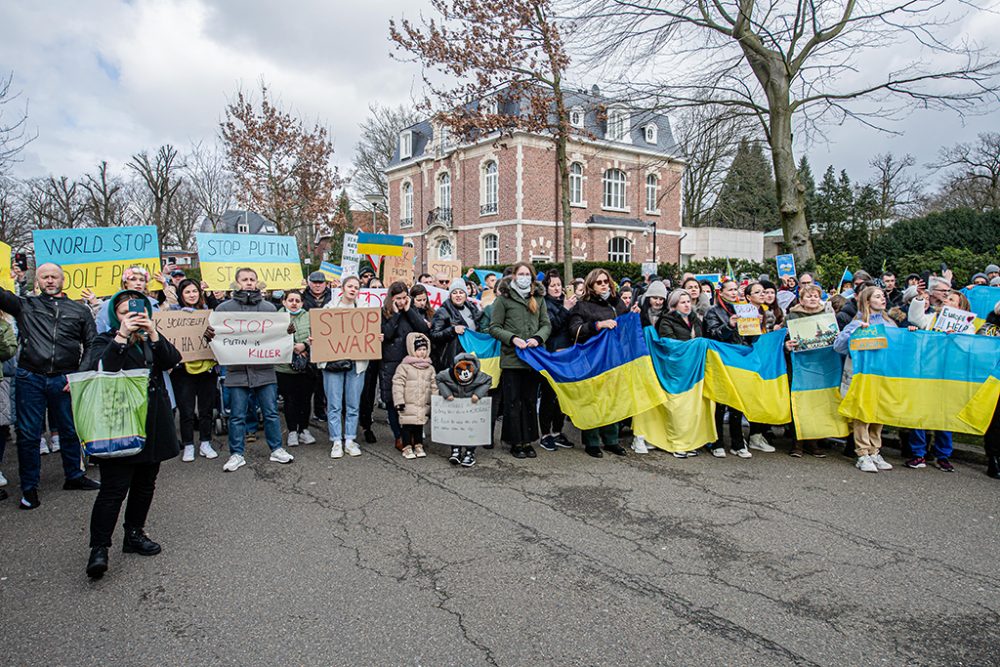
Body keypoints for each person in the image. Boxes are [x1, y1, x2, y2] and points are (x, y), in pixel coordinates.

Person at [82, 290, 182, 579]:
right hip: (120, 421)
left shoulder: (150, 339)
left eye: (137, 312)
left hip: (152, 419)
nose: (132, 318)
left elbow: (171, 359)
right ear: (116, 315)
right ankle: (99, 548)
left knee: (145, 483)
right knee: (114, 488)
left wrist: (153, 332)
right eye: (126, 313)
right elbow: (105, 369)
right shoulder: (105, 340)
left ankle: (134, 534)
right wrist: (122, 336)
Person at [0, 263, 100, 509]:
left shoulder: (79, 310)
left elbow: (92, 344)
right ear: (38, 281)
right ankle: (29, 488)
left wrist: (79, 375)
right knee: (29, 435)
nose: (50, 280)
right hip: (30, 378)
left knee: (69, 430)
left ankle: (74, 476)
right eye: (44, 277)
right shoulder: (25, 305)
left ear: (63, 280)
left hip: (64, 379)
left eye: (54, 276)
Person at [207, 268, 294, 472]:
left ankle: (277, 449)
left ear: (257, 283)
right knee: (237, 415)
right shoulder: (223, 309)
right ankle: (236, 454)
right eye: (244, 279)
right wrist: (209, 334)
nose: (248, 283)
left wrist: (287, 331)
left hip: (264, 369)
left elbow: (278, 335)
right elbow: (215, 338)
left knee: (271, 412)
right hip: (237, 371)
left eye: (252, 279)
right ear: (237, 283)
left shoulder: (269, 309)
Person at [488, 262, 551, 459]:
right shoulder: (503, 300)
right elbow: (494, 327)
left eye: (527, 274)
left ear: (532, 277)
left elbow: (546, 324)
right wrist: (513, 338)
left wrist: (538, 338)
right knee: (513, 402)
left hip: (533, 359)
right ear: (514, 276)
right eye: (521, 273)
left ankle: (528, 440)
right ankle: (515, 441)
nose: (524, 277)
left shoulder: (539, 298)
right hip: (512, 359)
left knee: (529, 401)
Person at [833, 286, 897, 474]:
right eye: (877, 297)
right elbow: (838, 346)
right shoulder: (858, 322)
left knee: (878, 412)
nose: (883, 299)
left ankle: (875, 450)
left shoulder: (890, 323)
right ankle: (862, 453)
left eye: (883, 296)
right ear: (868, 301)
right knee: (862, 413)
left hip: (882, 375)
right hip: (862, 376)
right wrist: (854, 334)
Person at [567, 268, 627, 458]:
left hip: (614, 359)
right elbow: (574, 330)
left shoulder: (617, 304)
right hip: (591, 360)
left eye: (606, 281)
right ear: (591, 285)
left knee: (611, 400)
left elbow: (626, 328)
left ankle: (611, 440)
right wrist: (597, 325)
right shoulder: (582, 306)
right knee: (592, 400)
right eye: (599, 282)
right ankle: (591, 441)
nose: (603, 285)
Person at [317, 275, 370, 458]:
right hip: (333, 363)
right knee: (334, 404)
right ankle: (336, 441)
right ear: (343, 288)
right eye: (350, 286)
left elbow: (368, 333)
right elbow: (320, 332)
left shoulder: (365, 310)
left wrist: (375, 338)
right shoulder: (329, 308)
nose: (353, 289)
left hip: (357, 363)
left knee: (353, 403)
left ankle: (350, 438)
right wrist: (316, 339)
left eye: (357, 287)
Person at [169, 279, 219, 462]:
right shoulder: (172, 315)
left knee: (206, 409)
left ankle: (206, 442)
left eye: (194, 291)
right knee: (187, 410)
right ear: (181, 295)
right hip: (183, 370)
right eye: (187, 292)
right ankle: (189, 445)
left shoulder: (209, 313)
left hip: (207, 369)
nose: (192, 295)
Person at [703, 279, 754, 459]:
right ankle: (717, 441)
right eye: (730, 290)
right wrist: (729, 325)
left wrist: (757, 326)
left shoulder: (746, 309)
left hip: (740, 361)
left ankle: (738, 442)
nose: (734, 293)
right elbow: (712, 334)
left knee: (737, 403)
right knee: (720, 402)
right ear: (721, 293)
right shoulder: (713, 312)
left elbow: (750, 338)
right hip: (721, 361)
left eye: (736, 290)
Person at [381, 281, 431, 451]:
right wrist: (395, 314)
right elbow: (386, 334)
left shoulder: (412, 310)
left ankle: (411, 435)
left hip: (411, 362)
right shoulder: (385, 312)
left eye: (404, 297)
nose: (402, 302)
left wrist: (409, 310)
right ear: (391, 298)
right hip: (391, 362)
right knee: (393, 401)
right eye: (398, 299)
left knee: (412, 399)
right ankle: (399, 436)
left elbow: (423, 328)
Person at [784, 285, 831, 458]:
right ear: (801, 299)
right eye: (808, 296)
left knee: (817, 402)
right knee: (798, 402)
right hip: (799, 365)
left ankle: (814, 441)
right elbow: (783, 337)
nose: (812, 298)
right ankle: (797, 442)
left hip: (820, 364)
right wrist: (786, 345)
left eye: (816, 296)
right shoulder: (791, 316)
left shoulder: (826, 317)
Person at [538, 270, 575, 452]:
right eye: (552, 285)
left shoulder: (565, 301)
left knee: (562, 395)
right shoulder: (544, 305)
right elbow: (551, 327)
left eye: (559, 285)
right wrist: (566, 309)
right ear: (546, 288)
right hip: (551, 354)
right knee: (548, 395)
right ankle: (545, 434)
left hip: (566, 354)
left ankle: (557, 431)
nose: (556, 288)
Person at [275, 290, 316, 448]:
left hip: (306, 367)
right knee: (290, 400)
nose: (294, 303)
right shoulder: (276, 318)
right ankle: (292, 430)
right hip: (284, 368)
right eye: (290, 300)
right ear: (284, 302)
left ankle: (304, 429)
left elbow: (317, 335)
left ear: (302, 303)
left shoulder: (309, 317)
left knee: (305, 399)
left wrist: (304, 345)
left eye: (297, 300)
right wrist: (289, 346)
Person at [392, 332, 437, 460]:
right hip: (408, 402)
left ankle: (418, 445)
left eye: (424, 349)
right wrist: (399, 401)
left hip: (423, 402)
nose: (422, 352)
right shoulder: (404, 367)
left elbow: (434, 385)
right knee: (407, 425)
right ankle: (406, 447)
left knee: (419, 425)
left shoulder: (430, 368)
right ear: (412, 349)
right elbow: (398, 384)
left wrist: (435, 400)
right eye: (419, 349)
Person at [430, 279, 483, 372]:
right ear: (450, 295)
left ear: (466, 295)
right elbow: (434, 335)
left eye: (461, 292)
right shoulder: (443, 311)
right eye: (454, 293)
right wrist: (452, 330)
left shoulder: (472, 308)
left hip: (472, 355)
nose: (458, 295)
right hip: (453, 358)